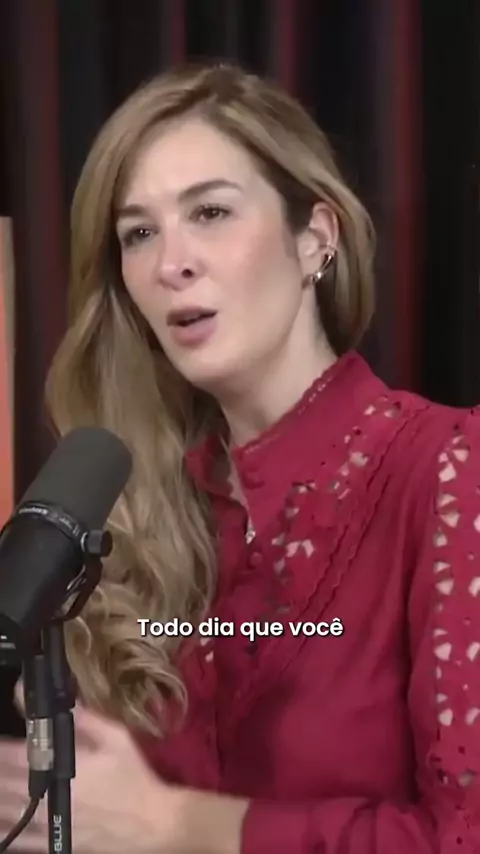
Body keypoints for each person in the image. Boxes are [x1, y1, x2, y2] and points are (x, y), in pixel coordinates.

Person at [0, 61, 479, 854]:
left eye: (211, 212)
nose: (171, 263)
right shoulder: (136, 520)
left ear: (315, 239)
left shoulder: (448, 470)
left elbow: (465, 835)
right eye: (139, 233)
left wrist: (178, 826)